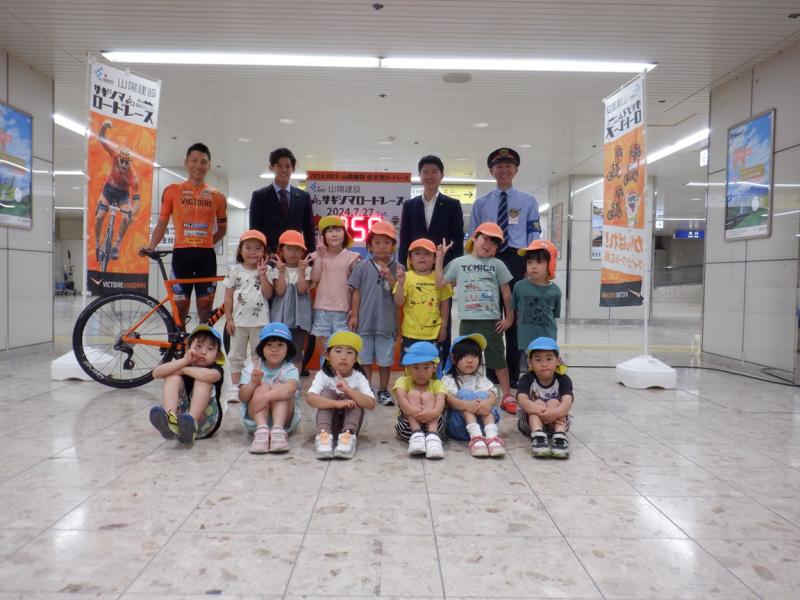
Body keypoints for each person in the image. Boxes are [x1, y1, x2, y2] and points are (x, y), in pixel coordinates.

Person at [469, 147, 541, 395]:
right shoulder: (481, 203)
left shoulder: (528, 201)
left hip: (517, 260)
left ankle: (512, 373)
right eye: (499, 166)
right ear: (491, 171)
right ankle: (491, 372)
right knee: (490, 318)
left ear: (516, 170)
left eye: (508, 166)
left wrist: (530, 265)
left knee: (514, 319)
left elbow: (534, 233)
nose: (504, 170)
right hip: (488, 262)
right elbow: (473, 237)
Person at [143, 143, 227, 325]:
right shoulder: (172, 191)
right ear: (186, 163)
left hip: (206, 258)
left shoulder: (218, 196)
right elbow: (162, 223)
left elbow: (222, 229)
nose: (199, 165)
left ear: (209, 165)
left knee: (205, 311)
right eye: (194, 160)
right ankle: (179, 342)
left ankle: (202, 342)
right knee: (180, 310)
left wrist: (206, 242)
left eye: (203, 162)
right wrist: (151, 246)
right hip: (181, 256)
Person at [436, 223, 515, 414]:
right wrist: (439, 258)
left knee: (498, 359)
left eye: (494, 243)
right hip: (468, 322)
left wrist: (509, 318)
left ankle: (506, 395)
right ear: (474, 238)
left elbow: (506, 294)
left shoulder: (497, 265)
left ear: (496, 249)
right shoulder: (458, 263)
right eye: (485, 239)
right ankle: (466, 391)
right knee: (466, 358)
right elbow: (439, 283)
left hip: (492, 322)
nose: (488, 245)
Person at [398, 155, 464, 362]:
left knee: (443, 314)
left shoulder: (452, 204)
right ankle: (414, 362)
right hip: (415, 270)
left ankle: (442, 364)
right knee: (414, 311)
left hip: (442, 272)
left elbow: (457, 240)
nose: (429, 176)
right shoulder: (410, 205)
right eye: (425, 172)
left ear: (442, 175)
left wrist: (454, 272)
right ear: (420, 175)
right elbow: (405, 238)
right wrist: (403, 266)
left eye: (434, 171)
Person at [348, 220, 399, 406]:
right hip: (365, 321)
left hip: (386, 323)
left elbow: (399, 293)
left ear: (393, 246)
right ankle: (366, 389)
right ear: (369, 245)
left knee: (385, 360)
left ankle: (383, 390)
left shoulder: (398, 267)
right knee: (365, 359)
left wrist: (390, 277)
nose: (382, 246)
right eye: (377, 242)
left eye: (386, 242)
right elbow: (356, 292)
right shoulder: (362, 266)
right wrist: (355, 315)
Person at [148, 324, 224, 445]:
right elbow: (156, 373)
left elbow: (211, 376)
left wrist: (182, 369)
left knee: (203, 379)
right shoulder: (184, 362)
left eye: (210, 349)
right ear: (188, 348)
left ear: (217, 356)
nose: (203, 352)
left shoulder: (216, 369)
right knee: (172, 377)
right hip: (180, 421)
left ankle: (191, 425)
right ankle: (170, 420)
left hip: (205, 423)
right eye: (198, 346)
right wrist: (185, 361)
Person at [306, 332, 376, 460]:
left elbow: (371, 403)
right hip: (327, 422)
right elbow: (310, 398)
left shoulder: (359, 377)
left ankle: (348, 437)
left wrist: (349, 390)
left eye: (349, 353)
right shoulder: (323, 375)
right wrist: (336, 403)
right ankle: (323, 436)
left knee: (355, 396)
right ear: (327, 356)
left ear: (356, 358)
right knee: (328, 393)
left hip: (353, 424)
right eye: (338, 351)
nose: (343, 357)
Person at [222, 230, 272, 403]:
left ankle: (257, 385)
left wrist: (263, 275)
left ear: (264, 252)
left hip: (260, 322)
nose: (252, 252)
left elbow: (268, 294)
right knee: (236, 355)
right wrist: (229, 319)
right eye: (248, 247)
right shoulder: (234, 270)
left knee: (259, 355)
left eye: (258, 248)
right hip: (238, 322)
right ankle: (235, 388)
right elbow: (228, 297)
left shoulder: (267, 270)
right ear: (240, 250)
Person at [238, 323, 302, 454]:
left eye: (280, 345)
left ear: (288, 349)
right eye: (269, 345)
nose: (274, 349)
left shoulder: (290, 369)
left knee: (280, 388)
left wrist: (266, 397)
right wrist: (253, 383)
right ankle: (262, 431)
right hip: (255, 421)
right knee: (261, 386)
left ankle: (278, 431)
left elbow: (291, 388)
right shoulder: (253, 367)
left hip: (285, 421)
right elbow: (243, 397)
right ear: (262, 348)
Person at [442, 334, 506, 458]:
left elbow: (492, 395)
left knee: (484, 395)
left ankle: (492, 437)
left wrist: (487, 403)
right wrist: (467, 405)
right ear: (453, 359)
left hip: (482, 425)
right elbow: (449, 400)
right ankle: (475, 437)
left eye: (474, 356)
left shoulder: (480, 378)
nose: (470, 360)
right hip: (459, 426)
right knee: (465, 394)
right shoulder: (448, 379)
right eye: (465, 356)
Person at [248, 147, 315, 255]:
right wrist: (264, 255)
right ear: (271, 167)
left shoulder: (303, 197)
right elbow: (255, 231)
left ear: (293, 169)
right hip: (270, 256)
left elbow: (309, 231)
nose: (284, 170)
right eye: (279, 165)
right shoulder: (259, 196)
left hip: (296, 256)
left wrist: (310, 258)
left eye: (287, 166)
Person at [310, 215, 361, 352]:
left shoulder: (352, 257)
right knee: (325, 350)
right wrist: (320, 256)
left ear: (344, 234)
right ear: (322, 236)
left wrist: (354, 312)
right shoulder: (316, 256)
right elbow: (315, 278)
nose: (334, 234)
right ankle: (326, 367)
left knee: (341, 347)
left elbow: (357, 288)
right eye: (330, 231)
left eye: (338, 230)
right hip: (322, 308)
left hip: (343, 310)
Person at [394, 238, 453, 355]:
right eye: (417, 253)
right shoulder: (406, 277)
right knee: (411, 364)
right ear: (410, 259)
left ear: (434, 259)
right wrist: (400, 284)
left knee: (433, 364)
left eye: (427, 253)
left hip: (434, 334)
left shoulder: (440, 279)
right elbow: (398, 302)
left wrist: (444, 326)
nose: (422, 257)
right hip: (410, 334)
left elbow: (445, 303)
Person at [516, 337, 573, 459]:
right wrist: (544, 411)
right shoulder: (526, 379)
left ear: (558, 361)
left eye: (549, 358)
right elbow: (522, 400)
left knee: (554, 402)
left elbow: (567, 402)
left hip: (556, 420)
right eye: (538, 359)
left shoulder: (564, 380)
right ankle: (538, 436)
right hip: (530, 424)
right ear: (530, 362)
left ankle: (559, 435)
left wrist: (555, 412)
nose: (544, 364)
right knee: (538, 402)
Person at [94, 119, 140, 265]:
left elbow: (137, 202)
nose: (124, 165)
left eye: (127, 162)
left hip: (122, 195)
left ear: (130, 162)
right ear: (118, 159)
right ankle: (97, 243)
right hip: (108, 189)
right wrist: (103, 127)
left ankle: (117, 245)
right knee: (100, 217)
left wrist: (132, 212)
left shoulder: (133, 177)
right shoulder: (114, 156)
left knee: (126, 217)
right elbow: (102, 139)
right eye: (122, 161)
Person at [513, 240, 561, 375]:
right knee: (527, 373)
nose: (533, 266)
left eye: (539, 262)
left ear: (550, 264)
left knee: (546, 373)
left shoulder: (555, 291)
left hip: (547, 343)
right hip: (526, 343)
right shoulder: (519, 287)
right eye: (530, 262)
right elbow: (516, 309)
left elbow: (554, 314)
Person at [268, 230, 313, 372]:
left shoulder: (306, 269)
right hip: (281, 318)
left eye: (297, 249)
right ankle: (278, 379)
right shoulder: (278, 269)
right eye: (289, 248)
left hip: (299, 319)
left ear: (303, 252)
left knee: (297, 353)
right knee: (279, 351)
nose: (293, 252)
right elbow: (280, 292)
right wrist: (282, 273)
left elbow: (302, 290)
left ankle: (294, 381)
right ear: (281, 251)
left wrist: (302, 271)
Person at [392, 341, 447, 459]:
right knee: (413, 394)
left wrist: (431, 413)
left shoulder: (437, 383)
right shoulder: (403, 381)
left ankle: (433, 438)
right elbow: (402, 400)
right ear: (408, 367)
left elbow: (441, 403)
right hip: (408, 428)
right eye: (416, 367)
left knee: (428, 396)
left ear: (434, 367)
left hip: (433, 425)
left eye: (426, 367)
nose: (421, 372)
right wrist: (420, 413)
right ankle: (416, 435)